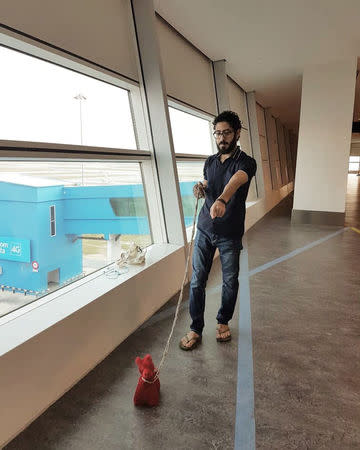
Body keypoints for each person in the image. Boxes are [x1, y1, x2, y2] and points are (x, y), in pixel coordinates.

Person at [179, 110, 257, 350]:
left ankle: (223, 322)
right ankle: (195, 328)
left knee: (230, 281)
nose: (221, 138)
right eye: (217, 133)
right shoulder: (210, 161)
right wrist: (200, 188)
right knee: (197, 281)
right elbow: (207, 181)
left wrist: (222, 200)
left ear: (237, 134)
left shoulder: (246, 161)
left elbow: (236, 179)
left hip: (229, 233)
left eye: (226, 133)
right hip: (204, 229)